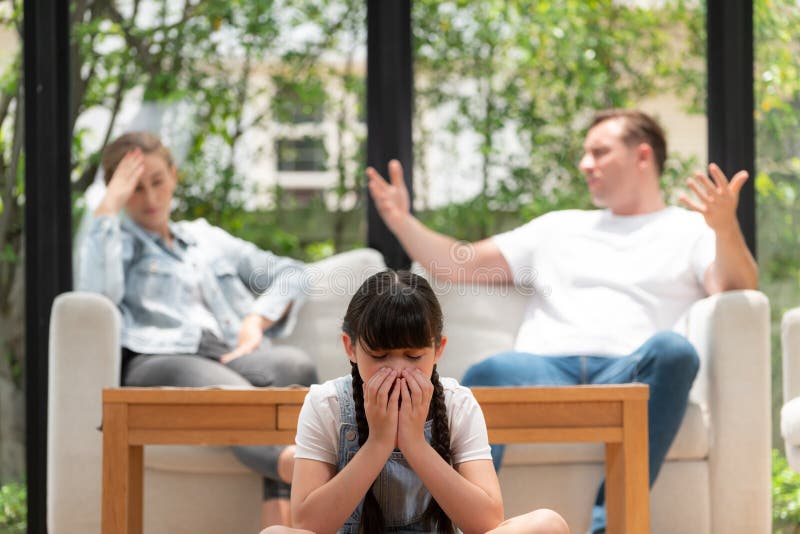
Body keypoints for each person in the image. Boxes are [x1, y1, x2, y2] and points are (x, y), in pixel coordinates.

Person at [364, 109, 758, 534]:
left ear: (642, 155)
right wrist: (401, 221)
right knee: (491, 370)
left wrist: (725, 228)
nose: (585, 164)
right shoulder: (557, 228)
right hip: (543, 368)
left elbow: (737, 286)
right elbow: (459, 263)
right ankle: (451, 522)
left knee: (675, 352)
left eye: (598, 152)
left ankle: (608, 528)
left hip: (632, 371)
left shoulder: (690, 229)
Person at [77, 131, 319, 527]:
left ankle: (282, 526)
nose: (151, 199)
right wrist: (107, 208)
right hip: (158, 358)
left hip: (225, 353)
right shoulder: (115, 241)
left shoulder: (207, 239)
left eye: (157, 182)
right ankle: (304, 469)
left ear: (174, 175)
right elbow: (96, 299)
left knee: (294, 367)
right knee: (234, 395)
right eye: (135, 189)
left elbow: (293, 273)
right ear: (119, 192)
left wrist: (256, 319)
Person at [262, 270, 570, 534]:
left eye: (413, 356)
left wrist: (414, 444)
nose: (397, 370)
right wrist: (379, 443)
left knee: (548, 524)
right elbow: (308, 524)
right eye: (380, 356)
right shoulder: (326, 403)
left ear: (438, 350)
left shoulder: (457, 404)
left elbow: (486, 521)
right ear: (351, 348)